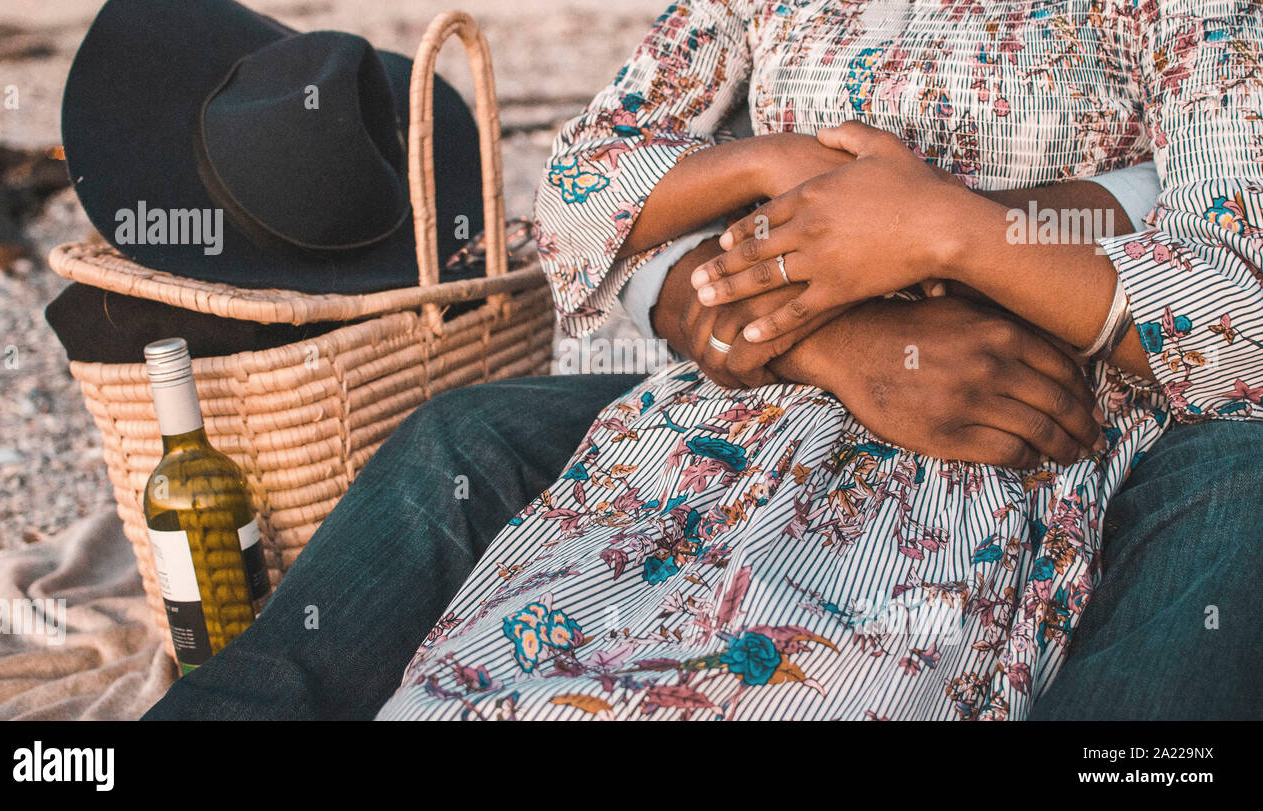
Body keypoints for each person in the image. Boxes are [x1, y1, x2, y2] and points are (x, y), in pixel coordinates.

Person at [145, 0, 1263, 720]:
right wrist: (780, 219)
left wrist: (952, 229)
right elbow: (581, 192)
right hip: (757, 407)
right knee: (497, 647)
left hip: (1002, 433)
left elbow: (1238, 312)